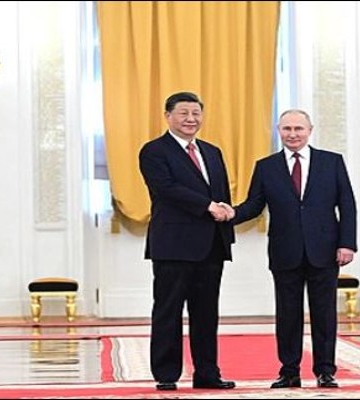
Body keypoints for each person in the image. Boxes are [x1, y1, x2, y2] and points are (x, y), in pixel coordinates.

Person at [227, 109, 357, 389]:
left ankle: (325, 371)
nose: (293, 134)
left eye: (298, 129)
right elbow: (253, 205)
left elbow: (347, 204)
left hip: (325, 250)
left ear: (310, 130)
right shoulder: (266, 166)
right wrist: (230, 214)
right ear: (279, 131)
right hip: (285, 251)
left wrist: (347, 243)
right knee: (287, 314)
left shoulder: (331, 162)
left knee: (324, 314)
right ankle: (289, 371)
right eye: (287, 129)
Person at [139, 91, 236, 391]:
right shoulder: (154, 151)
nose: (191, 119)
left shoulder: (212, 151)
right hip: (174, 245)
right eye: (183, 113)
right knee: (168, 310)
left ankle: (207, 373)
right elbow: (166, 189)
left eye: (196, 113)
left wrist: (226, 217)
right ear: (168, 116)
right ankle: (167, 374)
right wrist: (208, 207)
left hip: (211, 245)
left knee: (207, 313)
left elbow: (220, 193)